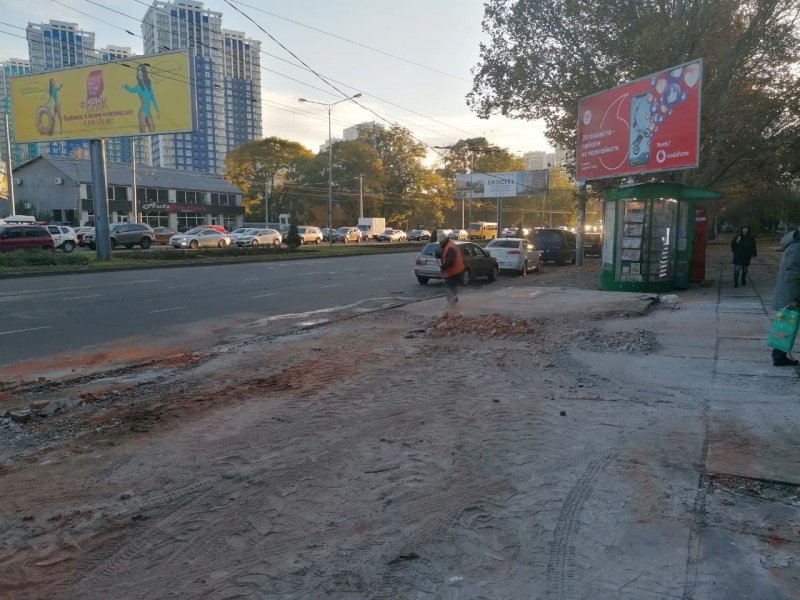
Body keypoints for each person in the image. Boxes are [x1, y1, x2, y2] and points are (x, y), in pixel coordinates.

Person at [771, 229, 800, 366]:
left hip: (790, 293)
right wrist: (793, 298)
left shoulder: (793, 245)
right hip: (791, 294)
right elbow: (792, 275)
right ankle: (778, 356)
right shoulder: (797, 248)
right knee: (786, 324)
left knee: (786, 324)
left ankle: (779, 355)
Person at [122, 64, 160, 133]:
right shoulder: (138, 86)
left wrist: (157, 110)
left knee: (153, 130)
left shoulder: (149, 83)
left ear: (144, 72)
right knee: (142, 132)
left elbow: (152, 97)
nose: (139, 72)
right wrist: (125, 86)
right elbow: (131, 90)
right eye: (138, 71)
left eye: (141, 71)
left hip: (148, 112)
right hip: (142, 111)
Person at [438, 232, 464, 306]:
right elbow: (445, 255)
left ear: (443, 240)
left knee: (450, 287)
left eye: (440, 241)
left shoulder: (450, 247)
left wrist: (443, 267)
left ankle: (452, 303)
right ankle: (453, 301)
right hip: (456, 270)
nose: (440, 243)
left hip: (454, 271)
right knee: (452, 287)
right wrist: (438, 254)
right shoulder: (448, 245)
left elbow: (450, 261)